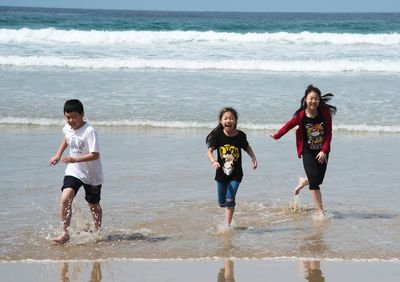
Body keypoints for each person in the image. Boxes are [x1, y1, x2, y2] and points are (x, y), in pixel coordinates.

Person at [270, 85, 336, 217]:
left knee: (318, 179)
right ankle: (320, 212)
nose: (314, 101)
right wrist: (277, 135)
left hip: (322, 150)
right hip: (308, 151)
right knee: (315, 183)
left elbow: (328, 134)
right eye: (311, 98)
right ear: (305, 99)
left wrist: (324, 150)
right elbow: (288, 125)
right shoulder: (301, 115)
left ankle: (303, 182)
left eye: (316, 99)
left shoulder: (324, 113)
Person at [49, 99, 103, 243]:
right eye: (67, 117)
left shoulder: (89, 131)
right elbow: (67, 139)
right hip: (74, 171)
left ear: (82, 114)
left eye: (74, 117)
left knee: (93, 204)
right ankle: (65, 233)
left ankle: (97, 231)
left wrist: (74, 159)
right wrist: (58, 154)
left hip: (92, 174)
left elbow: (95, 154)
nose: (70, 120)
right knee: (65, 198)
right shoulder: (67, 127)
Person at [206, 107, 257, 228]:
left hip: (236, 173)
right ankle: (227, 206)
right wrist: (213, 161)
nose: (228, 120)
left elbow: (247, 147)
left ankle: (227, 225)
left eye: (231, 118)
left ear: (235, 121)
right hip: (221, 174)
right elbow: (209, 152)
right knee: (222, 202)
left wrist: (253, 158)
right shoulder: (217, 135)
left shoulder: (240, 136)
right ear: (221, 121)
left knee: (230, 200)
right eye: (225, 118)